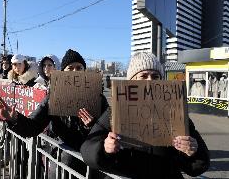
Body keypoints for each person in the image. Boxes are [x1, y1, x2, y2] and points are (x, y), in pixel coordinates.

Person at [80, 52, 210, 179]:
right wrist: (104, 148)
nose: (150, 81)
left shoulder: (176, 112)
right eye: (143, 76)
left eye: (155, 76)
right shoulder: (114, 112)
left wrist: (193, 152)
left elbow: (199, 165)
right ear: (131, 82)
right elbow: (87, 149)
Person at [0, 49, 109, 178]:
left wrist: (94, 125)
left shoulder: (98, 97)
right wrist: (16, 118)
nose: (75, 71)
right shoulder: (54, 96)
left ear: (84, 70)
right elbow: (34, 125)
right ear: (63, 72)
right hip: (64, 161)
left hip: (91, 163)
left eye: (79, 67)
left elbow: (109, 129)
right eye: (70, 68)